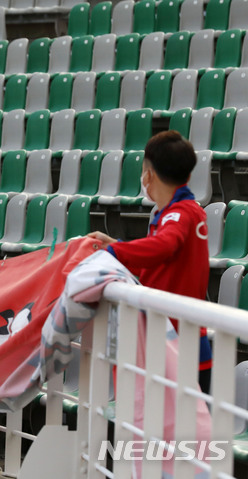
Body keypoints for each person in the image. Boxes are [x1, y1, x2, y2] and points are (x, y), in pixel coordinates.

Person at [87, 130, 212, 392]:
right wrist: (116, 245)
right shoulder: (173, 214)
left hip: (179, 340)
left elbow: (163, 247)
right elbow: (154, 261)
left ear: (149, 173)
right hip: (165, 336)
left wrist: (114, 253)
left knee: (184, 428)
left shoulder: (180, 214)